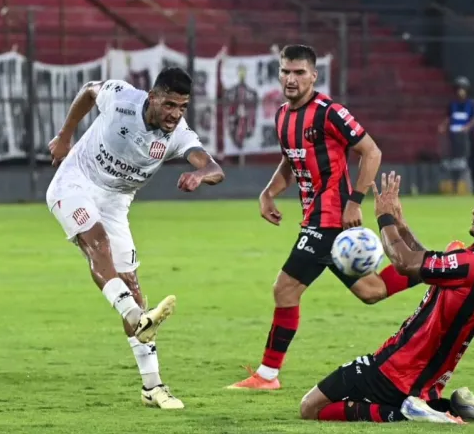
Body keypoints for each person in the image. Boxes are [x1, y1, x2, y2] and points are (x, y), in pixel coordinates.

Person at [227, 45, 418, 391]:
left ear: (314, 76)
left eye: (299, 72)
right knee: (371, 291)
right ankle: (433, 266)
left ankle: (267, 375)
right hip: (315, 217)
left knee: (285, 289)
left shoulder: (329, 112)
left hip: (330, 218)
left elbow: (371, 152)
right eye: (286, 71)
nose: (291, 78)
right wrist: (268, 192)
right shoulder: (283, 115)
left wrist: (354, 201)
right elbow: (290, 160)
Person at [46, 67, 225, 409]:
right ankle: (133, 314)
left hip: (116, 202)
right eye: (170, 104)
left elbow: (215, 168)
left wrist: (200, 175)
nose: (175, 114)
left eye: (182, 107)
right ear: (153, 97)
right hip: (75, 182)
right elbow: (87, 91)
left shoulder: (178, 135)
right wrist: (65, 137)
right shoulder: (122, 97)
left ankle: (152, 387)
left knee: (132, 284)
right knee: (97, 244)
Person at [299, 172, 474, 424]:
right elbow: (427, 266)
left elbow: (405, 263)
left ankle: (408, 415)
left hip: (397, 367)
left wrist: (384, 217)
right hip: (426, 378)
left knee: (311, 407)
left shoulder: (472, 264)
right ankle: (444, 406)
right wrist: (401, 224)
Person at [439, 76, 474, 193]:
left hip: (468, 139)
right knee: (455, 164)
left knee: (472, 163)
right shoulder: (452, 104)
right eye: (458, 88)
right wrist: (443, 126)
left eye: (462, 88)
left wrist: (466, 128)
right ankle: (454, 187)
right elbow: (448, 117)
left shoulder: (471, 104)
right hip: (454, 138)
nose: (460, 91)